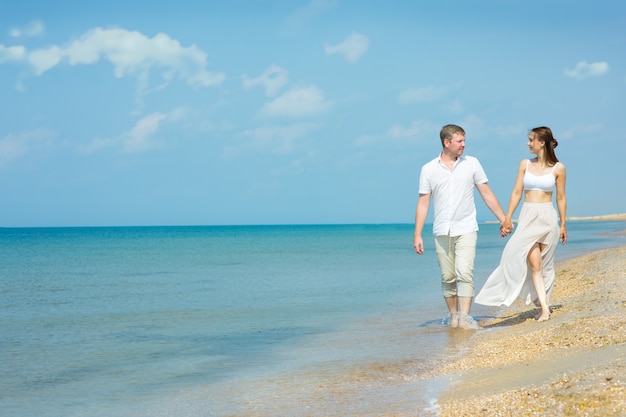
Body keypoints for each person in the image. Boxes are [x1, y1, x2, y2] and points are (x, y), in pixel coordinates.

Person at [413, 124, 507, 329]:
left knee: (465, 272)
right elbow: (423, 202)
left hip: (466, 228)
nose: (464, 144)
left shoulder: (472, 164)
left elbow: (486, 193)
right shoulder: (428, 169)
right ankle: (453, 315)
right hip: (441, 230)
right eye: (459, 141)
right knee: (448, 276)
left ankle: (464, 318)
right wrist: (417, 234)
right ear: (447, 143)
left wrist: (503, 219)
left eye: (464, 140)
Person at [475, 126, 567, 321]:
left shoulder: (559, 168)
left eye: (531, 140)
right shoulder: (524, 164)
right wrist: (508, 217)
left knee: (545, 265)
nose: (528, 143)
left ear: (542, 142)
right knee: (523, 258)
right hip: (528, 216)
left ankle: (543, 305)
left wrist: (563, 224)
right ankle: (542, 307)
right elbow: (517, 192)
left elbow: (561, 198)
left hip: (547, 218)